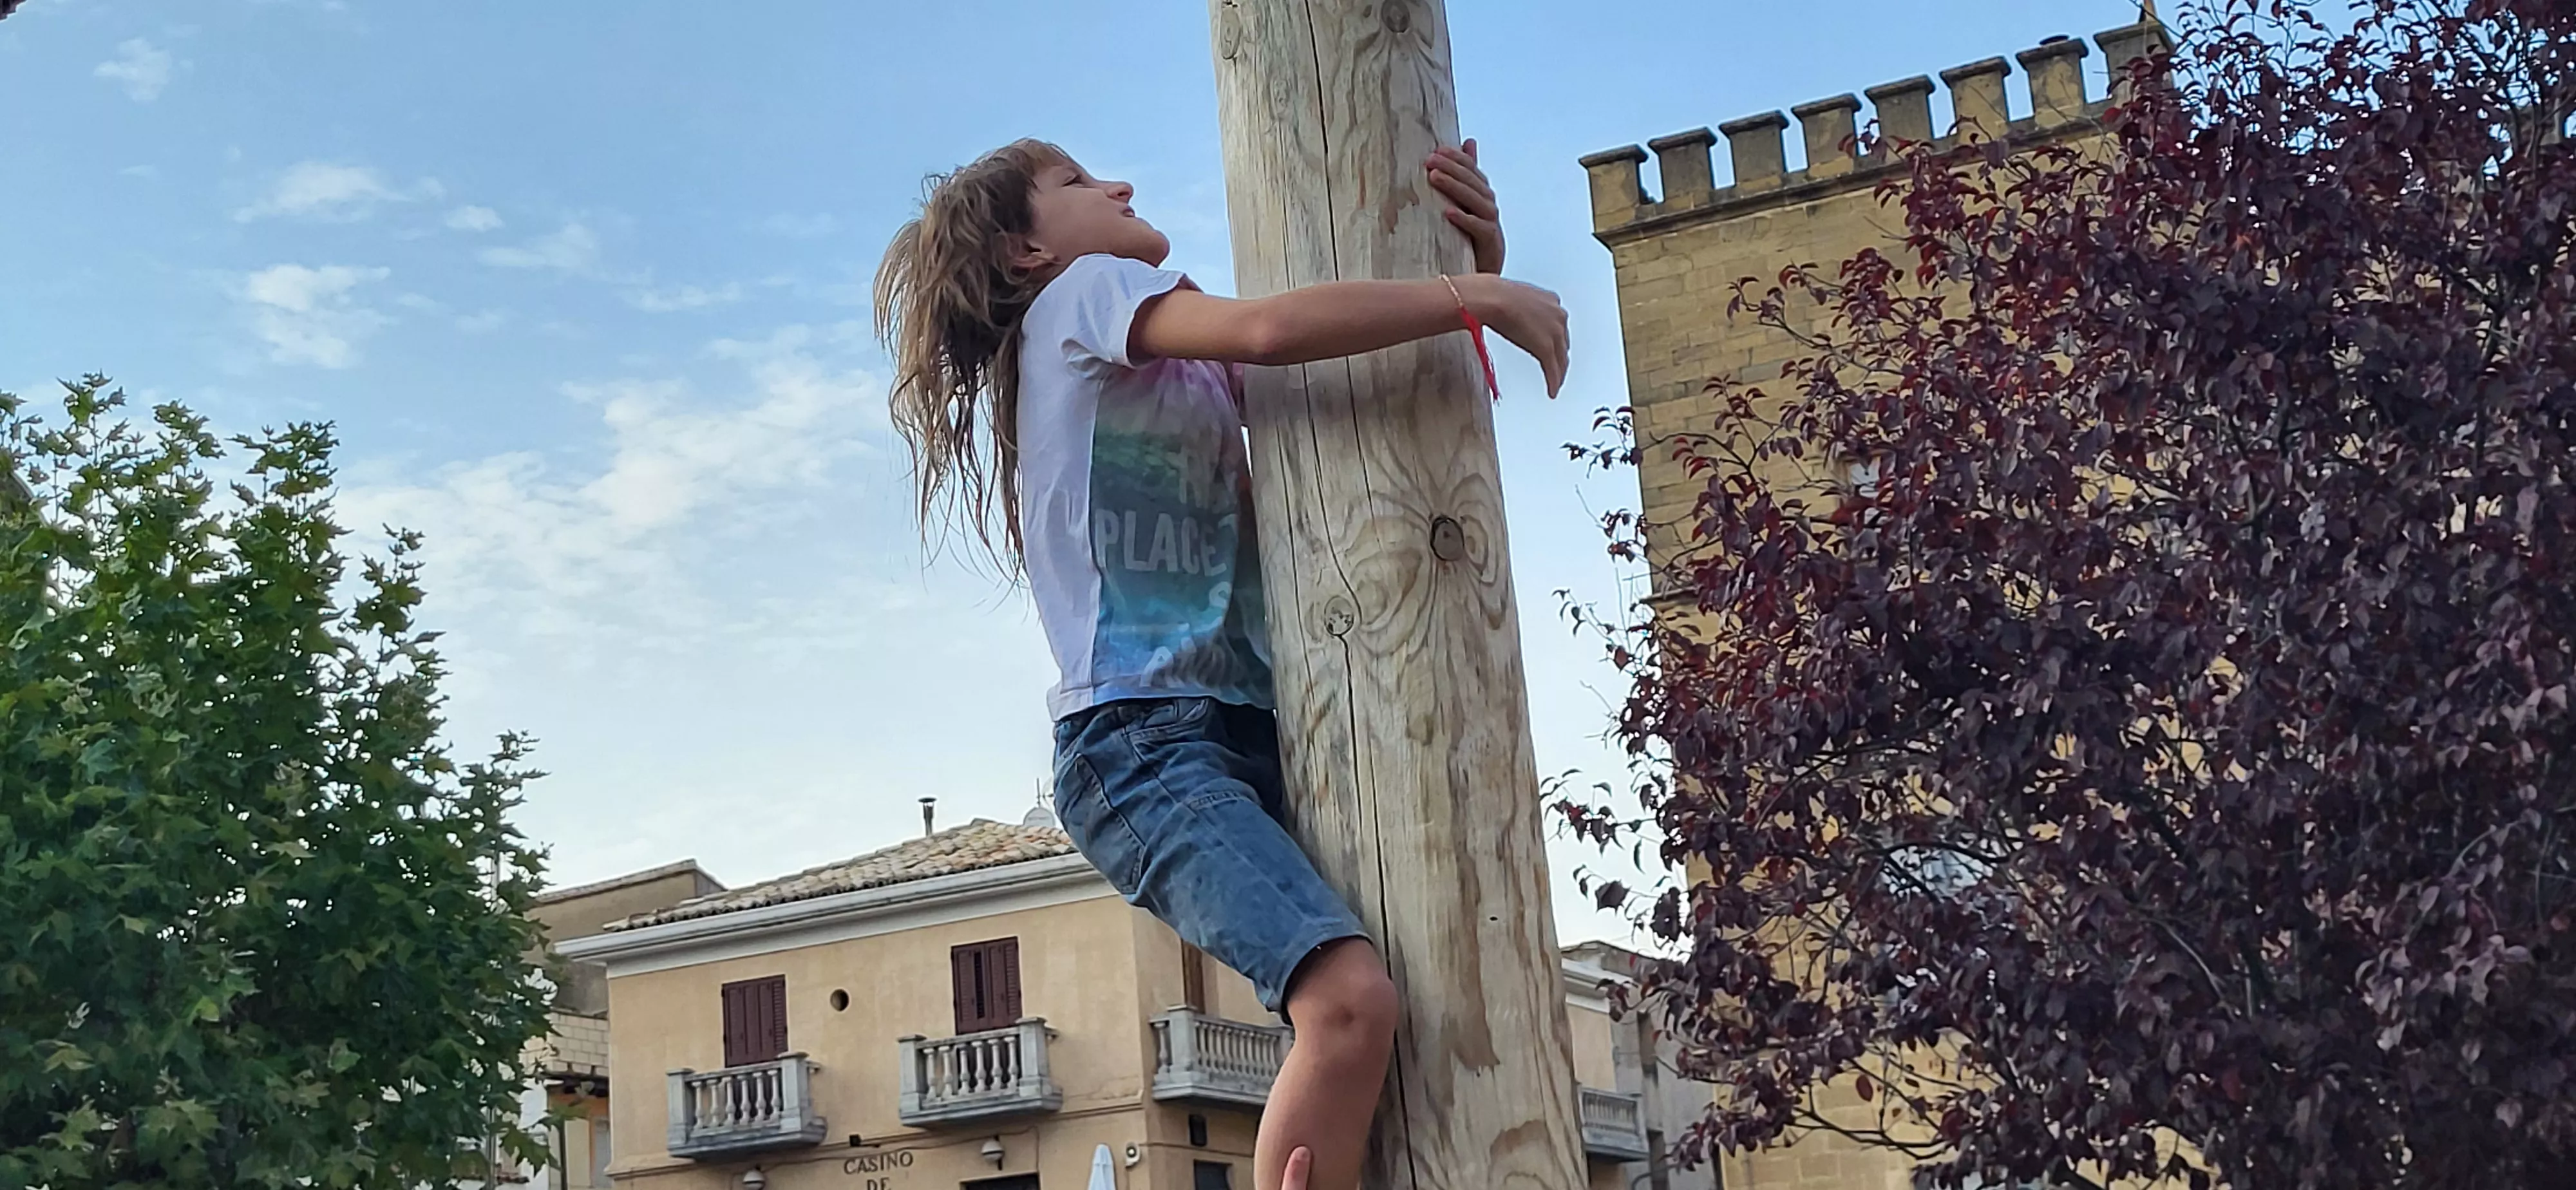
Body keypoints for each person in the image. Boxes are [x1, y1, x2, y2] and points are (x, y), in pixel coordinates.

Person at [874, 137, 1567, 1190]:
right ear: (1025, 249)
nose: (1119, 186)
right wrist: (1475, 290)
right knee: (1349, 1003)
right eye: (1075, 184)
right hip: (1145, 744)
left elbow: (1353, 400)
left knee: (1413, 981)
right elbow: (1277, 328)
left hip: (1255, 728)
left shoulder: (1178, 368)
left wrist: (1460, 245)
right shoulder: (1086, 295)